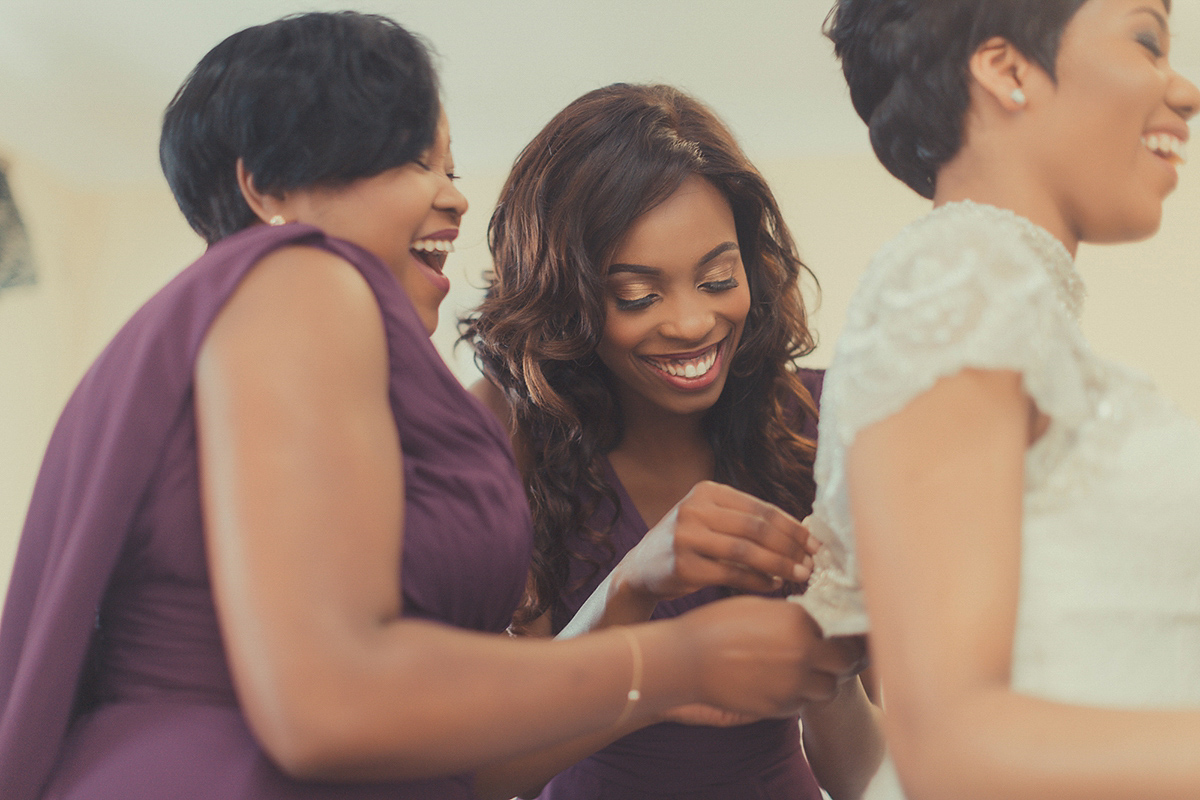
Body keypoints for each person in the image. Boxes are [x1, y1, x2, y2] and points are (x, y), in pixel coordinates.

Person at [0, 14, 861, 800]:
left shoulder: (255, 337)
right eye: (418, 162)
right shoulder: (304, 284)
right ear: (267, 190)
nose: (454, 196)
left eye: (450, 166)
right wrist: (671, 658)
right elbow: (328, 697)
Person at [793, 0, 1200, 798]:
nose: (1184, 91)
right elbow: (950, 746)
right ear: (1007, 69)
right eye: (1148, 41)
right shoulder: (956, 279)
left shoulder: (995, 298)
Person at [465, 83, 884, 800]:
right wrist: (628, 589)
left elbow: (875, 779)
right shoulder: (506, 432)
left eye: (719, 278)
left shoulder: (825, 421)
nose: (692, 324)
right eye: (638, 295)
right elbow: (480, 769)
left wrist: (826, 669)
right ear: (566, 295)